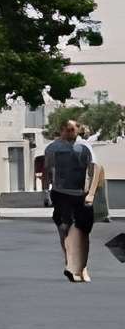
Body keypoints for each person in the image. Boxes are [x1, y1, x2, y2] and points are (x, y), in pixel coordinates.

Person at [37, 117, 103, 283]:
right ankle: (70, 264)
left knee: (81, 232)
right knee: (64, 230)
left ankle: (82, 267)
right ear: (61, 130)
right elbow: (47, 170)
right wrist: (46, 192)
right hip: (60, 193)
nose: (70, 132)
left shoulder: (84, 147)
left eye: (73, 129)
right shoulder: (53, 148)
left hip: (80, 194)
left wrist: (91, 194)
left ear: (78, 130)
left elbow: (96, 170)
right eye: (68, 129)